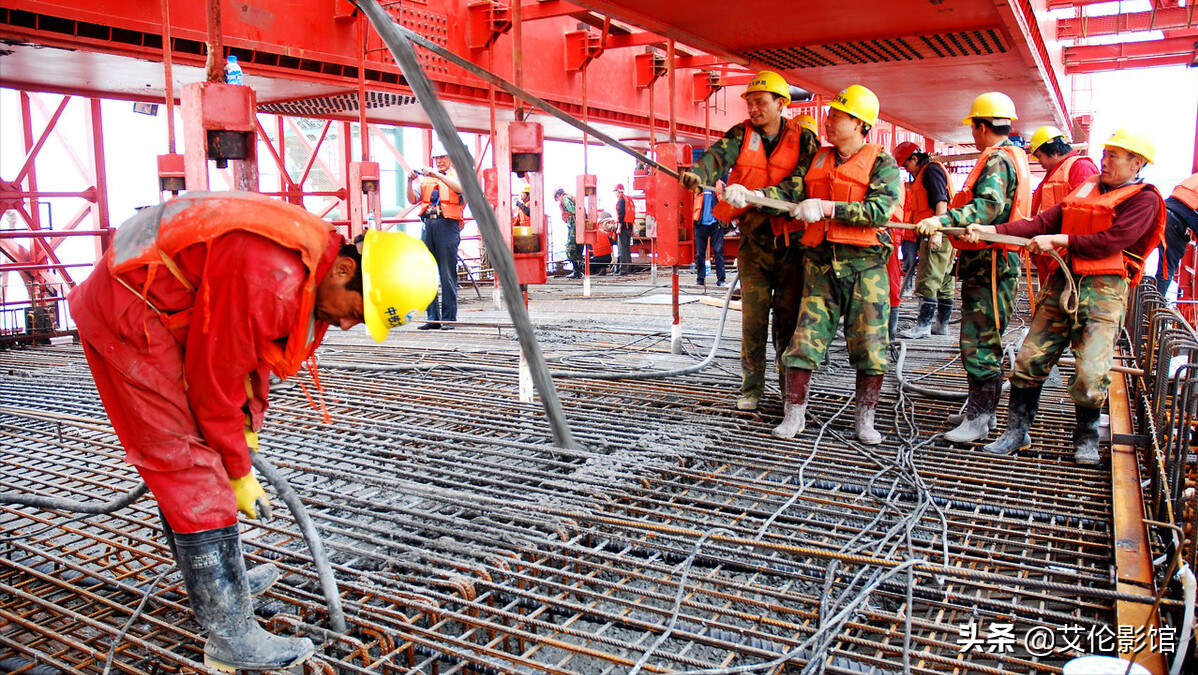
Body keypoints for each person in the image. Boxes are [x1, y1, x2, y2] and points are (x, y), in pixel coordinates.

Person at [66, 192, 437, 672]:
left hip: (168, 308)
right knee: (190, 464)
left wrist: (248, 431)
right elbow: (213, 380)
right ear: (346, 270)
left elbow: (253, 356)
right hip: (130, 315)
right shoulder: (273, 280)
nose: (347, 325)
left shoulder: (307, 267)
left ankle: (220, 582)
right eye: (356, 311)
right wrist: (238, 469)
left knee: (210, 455)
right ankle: (230, 635)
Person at [960, 128, 1164, 464]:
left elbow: (1114, 240)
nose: (1105, 160)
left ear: (1136, 162)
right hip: (1062, 286)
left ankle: (1086, 439)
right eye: (1106, 153)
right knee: (1028, 360)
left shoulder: (1145, 199)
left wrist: (1061, 241)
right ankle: (1016, 433)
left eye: (1115, 155)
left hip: (1102, 293)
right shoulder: (1086, 189)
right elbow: (1040, 223)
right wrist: (991, 231)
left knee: (1090, 373)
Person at [758, 84, 902, 444]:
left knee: (871, 347)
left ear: (859, 124)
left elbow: (879, 210)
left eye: (837, 116)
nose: (829, 121)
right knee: (803, 341)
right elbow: (793, 188)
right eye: (830, 114)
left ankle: (864, 421)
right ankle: (794, 416)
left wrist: (827, 208)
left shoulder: (883, 163)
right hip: (820, 264)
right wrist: (756, 196)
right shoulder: (819, 157)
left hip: (865, 268)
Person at [678, 71, 819, 411]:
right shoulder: (741, 134)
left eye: (761, 102)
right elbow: (718, 156)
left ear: (781, 104)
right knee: (752, 320)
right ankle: (751, 388)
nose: (753, 108)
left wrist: (758, 195)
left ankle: (790, 391)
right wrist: (700, 173)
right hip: (755, 244)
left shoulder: (803, 140)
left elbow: (801, 183)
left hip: (791, 246)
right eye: (750, 102)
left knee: (788, 322)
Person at [915, 92, 1032, 444]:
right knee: (984, 340)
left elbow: (989, 207)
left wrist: (943, 219)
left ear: (982, 127)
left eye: (975, 127)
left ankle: (979, 419)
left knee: (979, 342)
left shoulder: (997, 160)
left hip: (992, 263)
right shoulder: (1014, 156)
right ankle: (983, 412)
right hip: (993, 261)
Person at [894, 141, 955, 338]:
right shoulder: (929, 171)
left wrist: (937, 230)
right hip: (946, 232)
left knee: (928, 278)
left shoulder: (930, 171)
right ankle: (941, 325)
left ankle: (923, 328)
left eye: (906, 165)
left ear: (914, 158)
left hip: (937, 232)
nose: (907, 170)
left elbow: (941, 200)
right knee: (944, 280)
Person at [1027, 126, 1100, 285]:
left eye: (1040, 156)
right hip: (1050, 253)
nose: (1039, 163)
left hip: (1066, 254)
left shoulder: (1081, 168)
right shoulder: (1053, 173)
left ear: (1052, 151)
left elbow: (1087, 214)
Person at [406, 140, 464, 330]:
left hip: (447, 225)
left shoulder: (459, 176)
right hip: (428, 224)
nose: (438, 161)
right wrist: (410, 180)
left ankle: (448, 318)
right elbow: (413, 199)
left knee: (447, 272)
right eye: (436, 158)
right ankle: (432, 318)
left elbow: (460, 189)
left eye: (442, 157)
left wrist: (437, 175)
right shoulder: (426, 180)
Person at [1154, 173, 1198, 286]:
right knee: (1166, 270)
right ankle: (1154, 303)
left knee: (1136, 254)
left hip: (1160, 210)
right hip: (1175, 222)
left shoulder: (1194, 179)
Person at [693, 181, 727, 286]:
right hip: (700, 224)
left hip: (716, 223)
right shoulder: (697, 185)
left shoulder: (720, 185)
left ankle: (721, 279)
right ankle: (700, 279)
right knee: (700, 253)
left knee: (718, 251)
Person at [554, 188, 585, 278]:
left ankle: (577, 271)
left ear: (558, 195)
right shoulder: (569, 197)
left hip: (574, 224)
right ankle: (579, 270)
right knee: (578, 247)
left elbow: (573, 210)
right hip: (577, 224)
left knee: (570, 248)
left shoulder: (565, 198)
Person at [614, 183, 636, 275]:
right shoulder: (629, 200)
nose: (615, 193)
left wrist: (619, 228)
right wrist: (633, 229)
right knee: (627, 249)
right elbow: (633, 214)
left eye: (615, 191)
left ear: (618, 191)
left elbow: (621, 214)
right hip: (629, 226)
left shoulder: (621, 201)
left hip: (623, 227)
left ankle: (623, 270)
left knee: (622, 249)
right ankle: (628, 268)